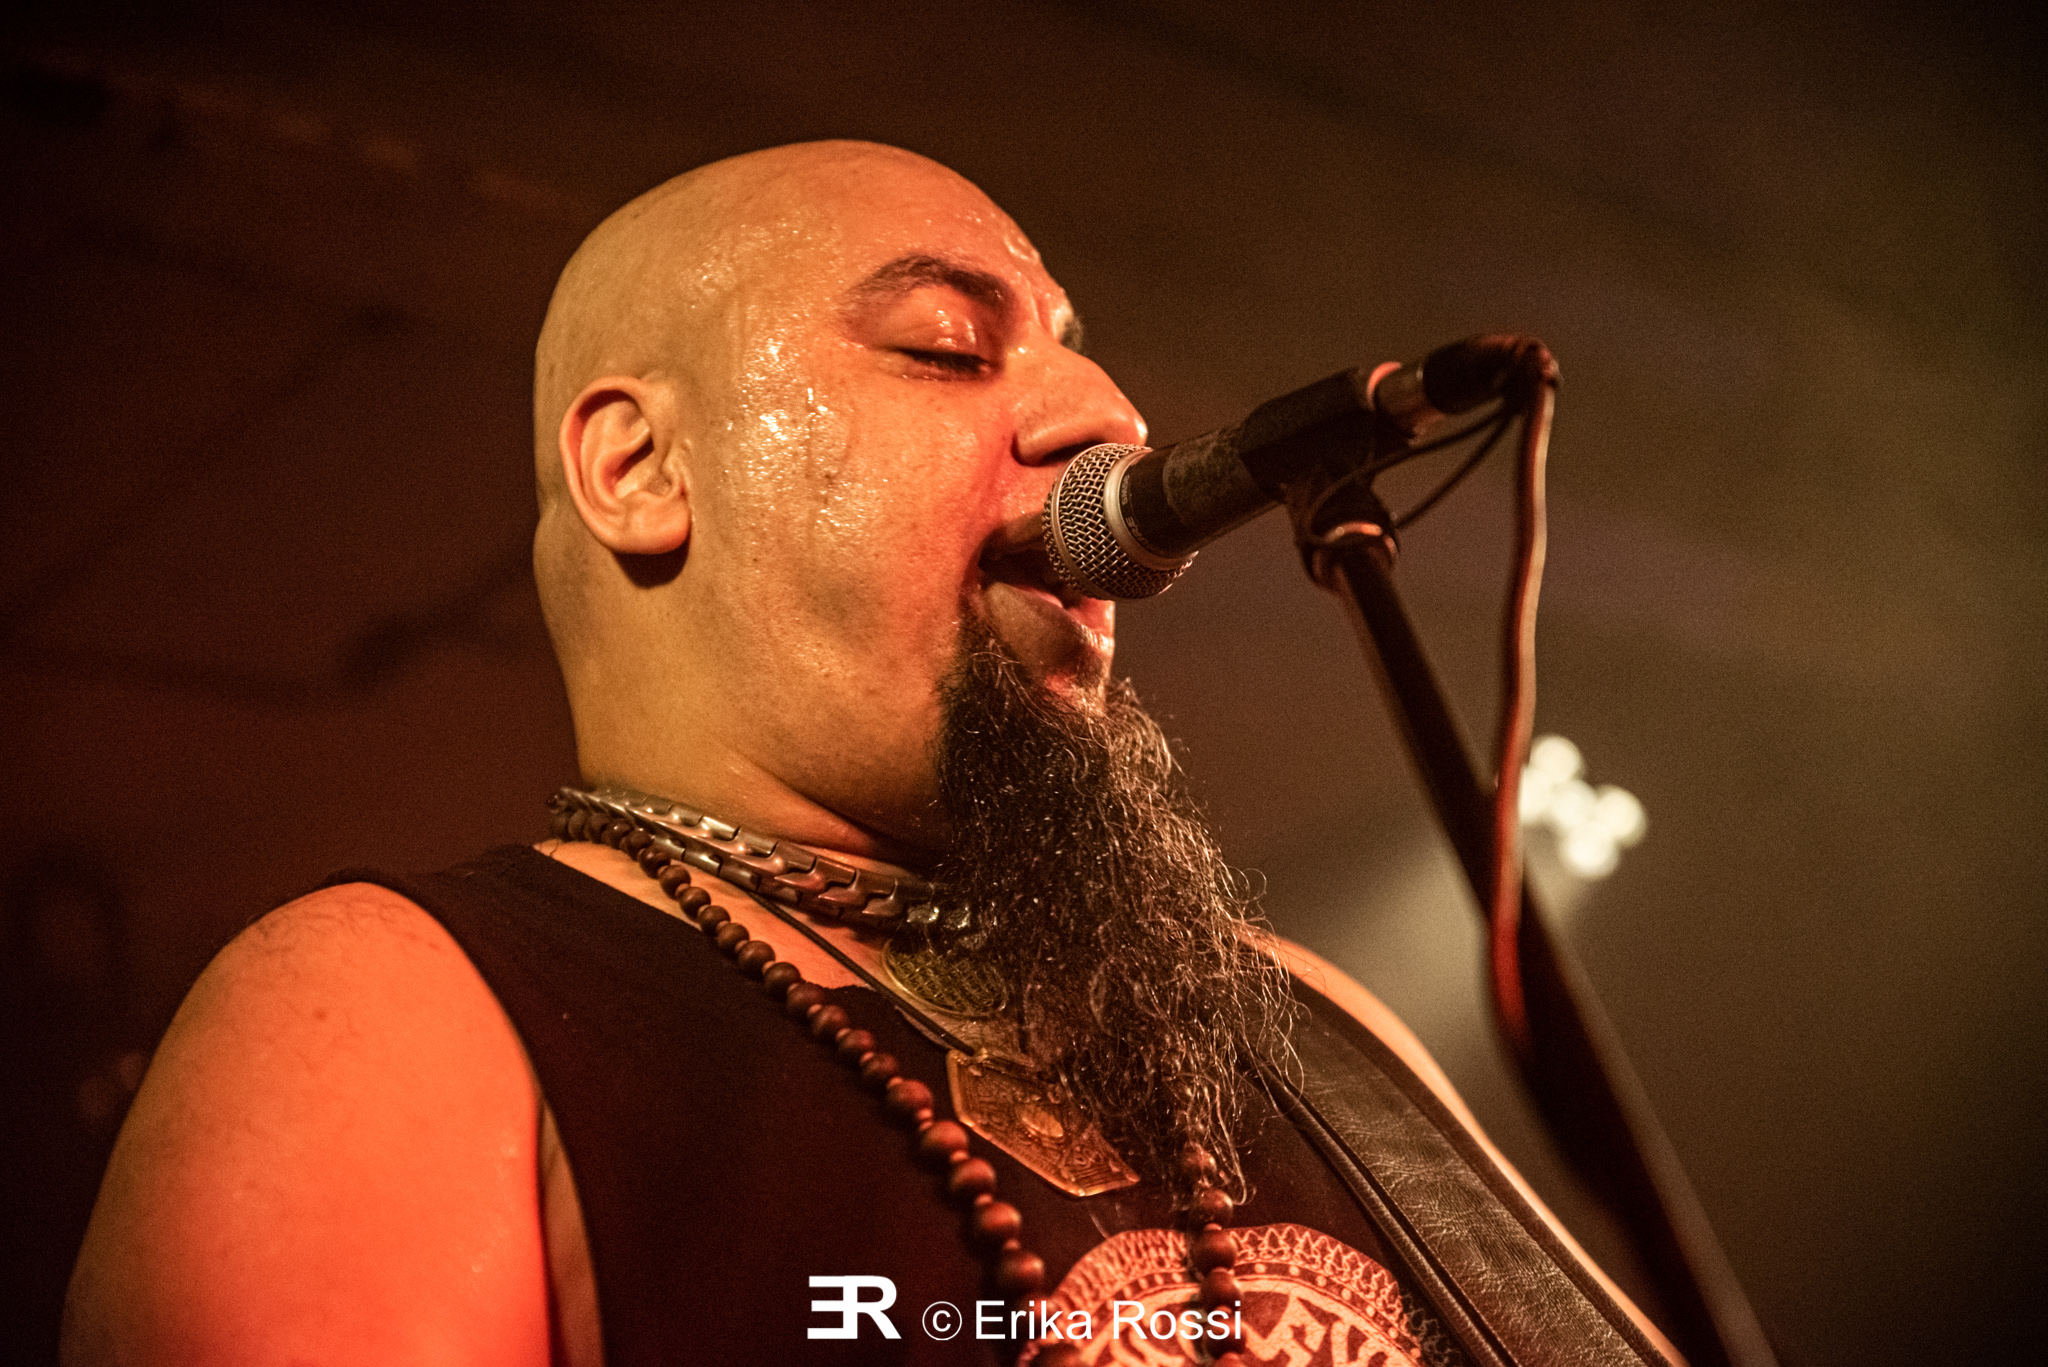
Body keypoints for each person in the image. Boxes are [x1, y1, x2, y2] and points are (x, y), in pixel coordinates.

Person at [62, 141, 1681, 1367]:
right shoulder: (394, 1005)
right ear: (639, 469)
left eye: (1073, 352)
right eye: (945, 347)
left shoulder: (1300, 1021)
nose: (1105, 415)